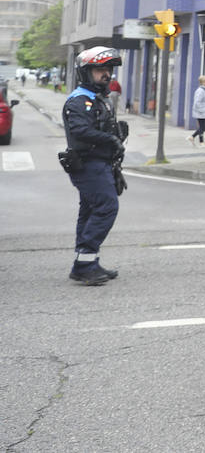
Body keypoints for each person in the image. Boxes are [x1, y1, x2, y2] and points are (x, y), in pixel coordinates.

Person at [61, 47, 128, 286]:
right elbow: (80, 131)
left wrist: (117, 135)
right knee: (107, 207)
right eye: (100, 70)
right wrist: (109, 139)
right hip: (87, 165)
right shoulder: (80, 100)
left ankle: (87, 262)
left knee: (90, 211)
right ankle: (84, 265)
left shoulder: (98, 98)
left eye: (109, 69)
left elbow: (98, 128)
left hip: (100, 164)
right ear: (86, 72)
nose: (106, 74)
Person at [189, 75, 205, 144]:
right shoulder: (200, 91)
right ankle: (201, 142)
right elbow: (197, 102)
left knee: (204, 127)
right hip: (201, 112)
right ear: (203, 82)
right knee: (203, 127)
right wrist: (203, 110)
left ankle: (193, 137)